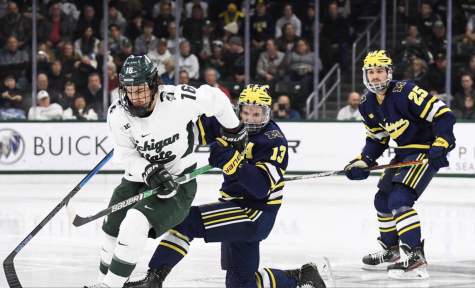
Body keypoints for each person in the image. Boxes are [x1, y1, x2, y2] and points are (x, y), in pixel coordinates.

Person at [122, 84, 332, 288]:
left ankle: (154, 278)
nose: (249, 119)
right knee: (242, 284)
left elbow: (261, 188)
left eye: (257, 114)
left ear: (267, 114)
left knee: (186, 223)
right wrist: (154, 131)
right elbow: (189, 133)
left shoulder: (274, 141)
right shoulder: (228, 121)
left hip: (254, 214)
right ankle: (303, 276)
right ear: (238, 109)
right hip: (233, 205)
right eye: (246, 112)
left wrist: (235, 165)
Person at [84, 54, 242, 288]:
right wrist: (148, 170)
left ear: (154, 84)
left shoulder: (178, 99)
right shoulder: (117, 114)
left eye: (140, 90)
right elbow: (125, 156)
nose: (135, 98)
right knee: (111, 231)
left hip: (178, 183)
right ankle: (102, 283)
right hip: (138, 178)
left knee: (134, 224)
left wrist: (234, 129)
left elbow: (217, 99)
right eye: (129, 90)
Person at [344, 50, 456, 279]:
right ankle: (392, 251)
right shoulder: (366, 103)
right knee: (382, 200)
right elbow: (377, 138)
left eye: (379, 71)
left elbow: (443, 114)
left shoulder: (405, 90)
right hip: (403, 153)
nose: (375, 76)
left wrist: (442, 141)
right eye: (371, 72)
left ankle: (415, 257)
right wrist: (365, 160)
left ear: (389, 72)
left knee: (399, 199)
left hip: (425, 151)